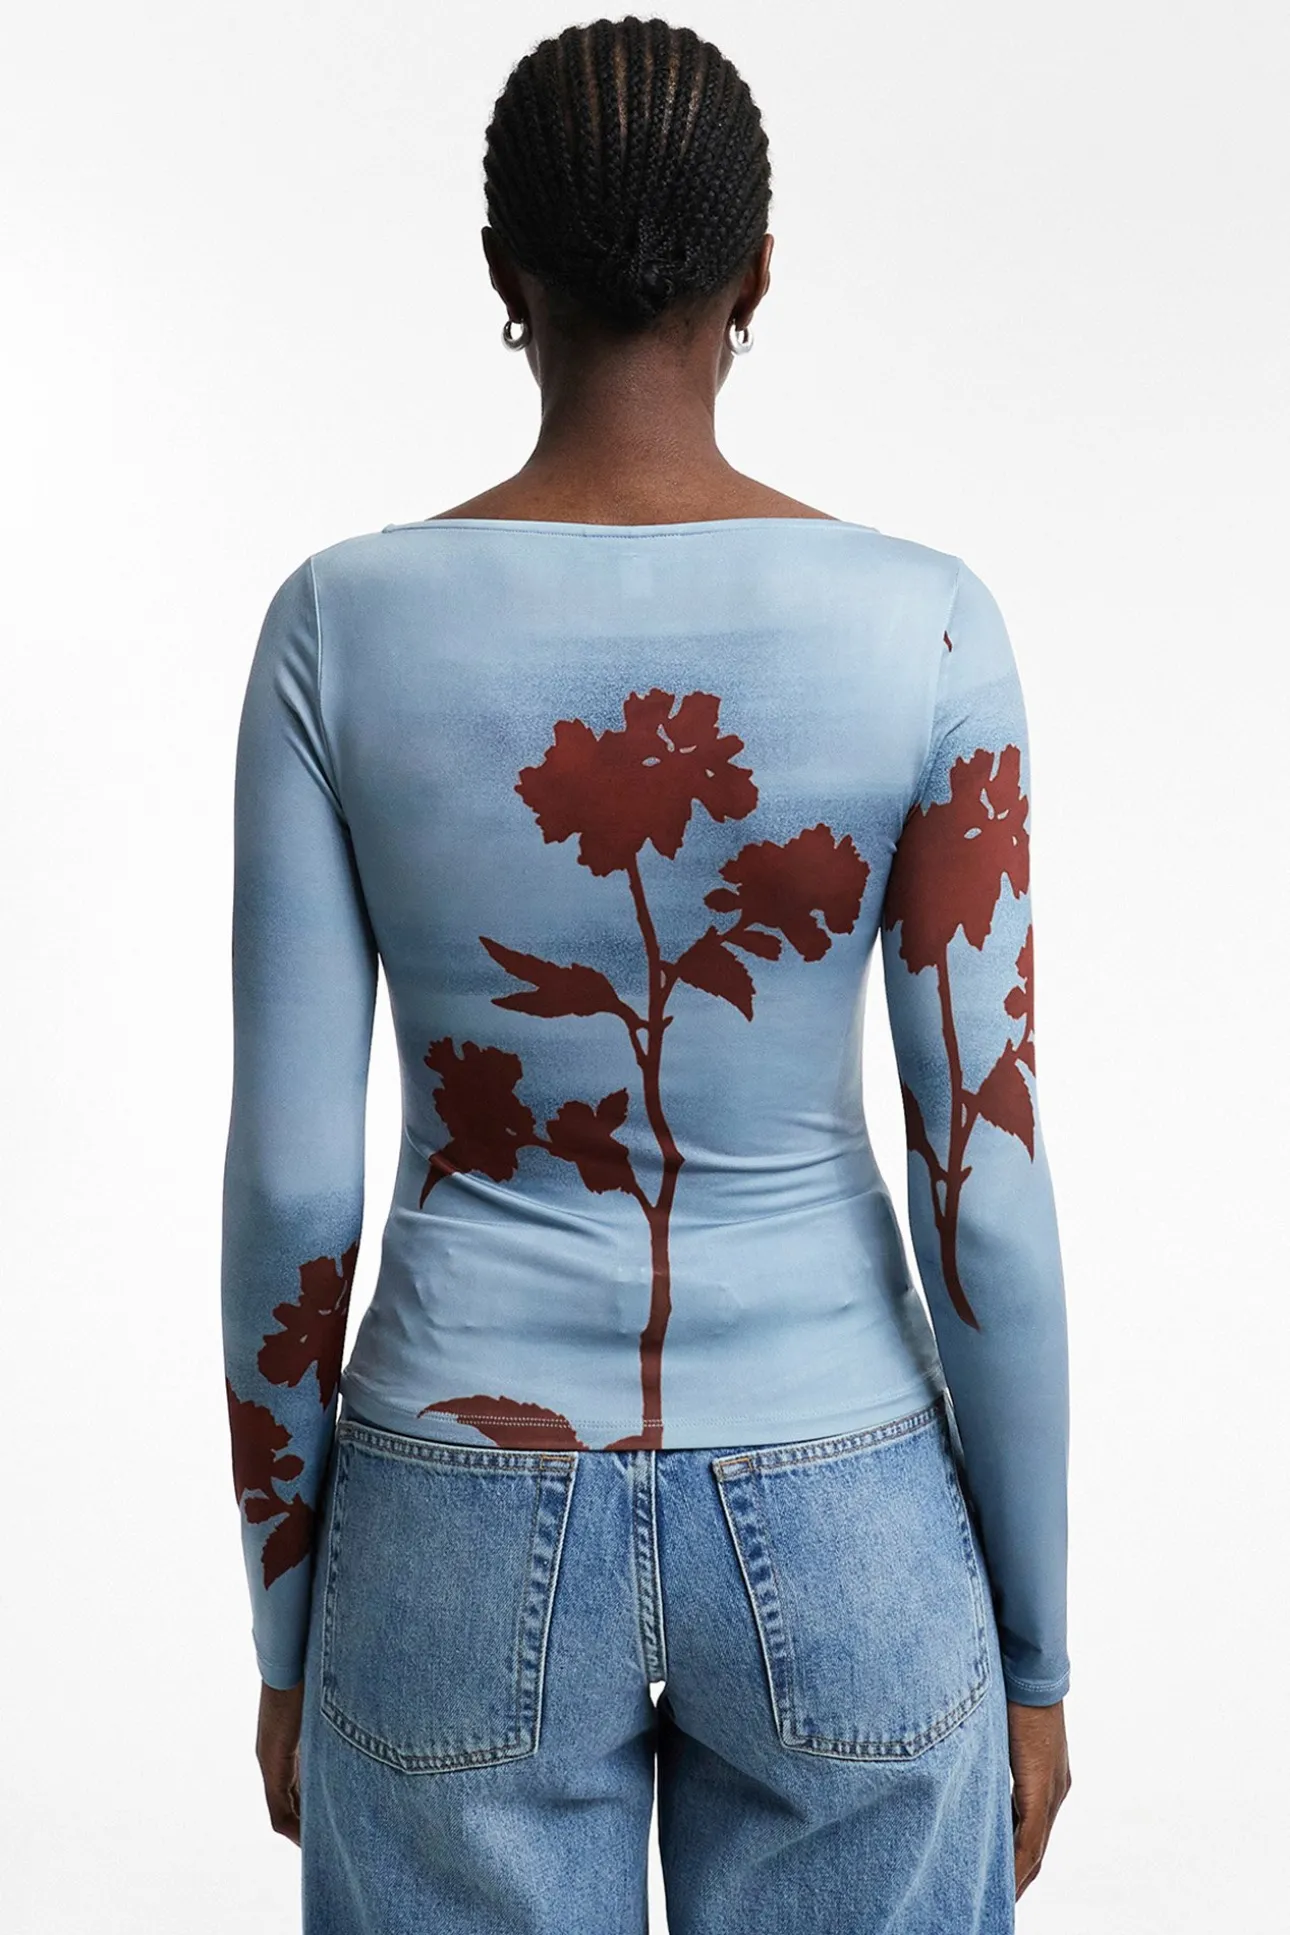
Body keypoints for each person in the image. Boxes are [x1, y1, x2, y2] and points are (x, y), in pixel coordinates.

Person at [221, 15, 1072, 1932]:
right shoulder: (929, 625)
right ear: (755, 274)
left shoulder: (334, 627)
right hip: (849, 1508)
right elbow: (983, 1187)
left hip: (448, 1507)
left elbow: (287, 1185)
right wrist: (1031, 1652)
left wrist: (287, 1621)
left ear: (502, 273)